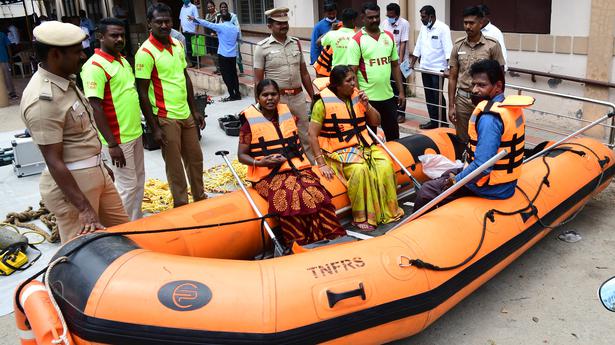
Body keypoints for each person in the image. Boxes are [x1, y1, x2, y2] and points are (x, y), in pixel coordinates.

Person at [20, 21, 128, 243]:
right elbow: (54, 160)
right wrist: (84, 208)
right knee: (81, 250)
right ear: (55, 54)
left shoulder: (65, 80)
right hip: (75, 188)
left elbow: (80, 135)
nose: (83, 56)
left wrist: (100, 163)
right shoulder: (43, 100)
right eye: (77, 51)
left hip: (96, 173)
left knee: (126, 233)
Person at [238, 79, 345, 246]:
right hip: (268, 176)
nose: (270, 98)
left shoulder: (286, 114)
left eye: (273, 94)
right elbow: (241, 155)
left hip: (295, 168)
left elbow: (296, 140)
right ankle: (299, 242)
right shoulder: (248, 124)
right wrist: (261, 162)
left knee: (314, 191)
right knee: (291, 196)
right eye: (265, 95)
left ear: (279, 96)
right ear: (258, 98)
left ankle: (327, 235)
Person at [413, 59, 530, 212]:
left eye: (481, 85)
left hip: (489, 188)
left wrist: (455, 181)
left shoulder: (489, 118)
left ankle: (418, 228)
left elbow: (482, 167)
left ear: (498, 86)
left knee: (427, 191)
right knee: (448, 173)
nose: (475, 90)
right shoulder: (509, 108)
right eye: (474, 84)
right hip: (506, 183)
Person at [308, 66, 404, 231]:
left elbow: (376, 122)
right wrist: (321, 163)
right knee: (359, 170)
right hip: (337, 151)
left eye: (354, 79)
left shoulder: (358, 97)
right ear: (337, 85)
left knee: (385, 165)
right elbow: (311, 134)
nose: (353, 83)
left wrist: (367, 106)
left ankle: (389, 212)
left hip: (363, 146)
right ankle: (362, 217)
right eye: (348, 81)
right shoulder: (321, 103)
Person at [135, 3, 206, 208]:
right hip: (166, 118)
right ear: (150, 23)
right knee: (175, 168)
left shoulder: (177, 44)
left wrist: (195, 110)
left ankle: (200, 200)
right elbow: (142, 92)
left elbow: (185, 77)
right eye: (159, 22)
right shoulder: (145, 53)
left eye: (168, 21)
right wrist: (154, 127)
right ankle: (182, 206)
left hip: (186, 114)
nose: (164, 25)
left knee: (195, 160)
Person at [81, 17, 145, 221]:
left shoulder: (123, 60)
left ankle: (135, 223)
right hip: (118, 138)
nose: (119, 39)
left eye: (122, 35)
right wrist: (112, 144)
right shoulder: (95, 67)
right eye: (114, 35)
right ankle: (123, 230)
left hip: (134, 132)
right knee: (127, 187)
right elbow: (95, 106)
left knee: (138, 182)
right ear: (100, 36)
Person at [254, 7, 316, 162]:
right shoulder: (262, 47)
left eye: (285, 23)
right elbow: (258, 81)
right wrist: (259, 104)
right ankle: (288, 167)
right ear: (269, 26)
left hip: (298, 97)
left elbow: (304, 73)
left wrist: (313, 96)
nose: (283, 26)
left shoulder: (296, 43)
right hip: (277, 100)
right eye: (278, 23)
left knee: (305, 134)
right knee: (282, 135)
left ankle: (311, 166)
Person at [348, 2, 406, 141]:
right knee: (369, 140)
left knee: (394, 138)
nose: (374, 20)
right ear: (363, 18)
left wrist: (401, 91)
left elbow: (395, 66)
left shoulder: (389, 37)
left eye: (377, 17)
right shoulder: (356, 40)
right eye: (370, 17)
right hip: (368, 100)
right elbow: (352, 72)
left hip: (388, 97)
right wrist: (358, 97)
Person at [448, 6, 504, 144]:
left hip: (485, 101)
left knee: (485, 136)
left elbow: (500, 76)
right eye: (465, 23)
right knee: (462, 139)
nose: (468, 26)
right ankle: (463, 164)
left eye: (471, 23)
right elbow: (452, 77)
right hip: (462, 101)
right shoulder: (458, 46)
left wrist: (498, 102)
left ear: (481, 23)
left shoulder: (492, 46)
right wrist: (451, 106)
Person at [409, 5, 452, 129]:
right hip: (425, 68)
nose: (421, 19)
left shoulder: (443, 28)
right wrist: (412, 63)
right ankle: (433, 121)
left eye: (423, 17)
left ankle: (442, 122)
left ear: (431, 16)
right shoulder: (424, 27)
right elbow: (419, 46)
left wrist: (448, 68)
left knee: (437, 96)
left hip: (437, 69)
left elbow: (448, 48)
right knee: (429, 96)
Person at [190, 11, 241, 101]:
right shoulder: (236, 28)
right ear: (230, 19)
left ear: (221, 19)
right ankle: (237, 94)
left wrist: (195, 19)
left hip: (223, 55)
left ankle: (232, 95)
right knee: (234, 75)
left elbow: (207, 24)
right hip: (233, 55)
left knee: (226, 76)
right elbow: (238, 39)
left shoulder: (220, 26)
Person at [381, 3, 410, 124]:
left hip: (400, 62)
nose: (389, 17)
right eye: (388, 15)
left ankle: (401, 113)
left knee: (400, 87)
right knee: (390, 87)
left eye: (391, 15)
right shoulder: (384, 23)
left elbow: (403, 43)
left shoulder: (404, 23)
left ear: (397, 15)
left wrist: (399, 61)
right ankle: (392, 111)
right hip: (387, 61)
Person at [218, 2, 244, 74]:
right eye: (222, 7)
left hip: (233, 39)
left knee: (237, 54)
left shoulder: (233, 16)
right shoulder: (219, 17)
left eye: (224, 7)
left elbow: (237, 27)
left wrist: (238, 38)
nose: (223, 9)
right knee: (227, 56)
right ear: (220, 8)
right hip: (224, 40)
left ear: (227, 8)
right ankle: (232, 71)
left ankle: (241, 71)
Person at [179, 0, 199, 66]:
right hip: (185, 32)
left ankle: (198, 64)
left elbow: (197, 19)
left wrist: (196, 31)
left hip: (192, 31)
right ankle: (193, 63)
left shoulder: (193, 7)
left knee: (195, 49)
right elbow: (181, 20)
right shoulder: (182, 8)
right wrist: (180, 30)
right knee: (188, 49)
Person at [0, 30, 17, 99]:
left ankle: (10, 93)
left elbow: (8, 45)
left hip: (3, 58)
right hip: (4, 58)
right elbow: (8, 46)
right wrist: (10, 57)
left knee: (6, 76)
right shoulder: (2, 34)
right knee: (7, 76)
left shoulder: (2, 34)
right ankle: (12, 93)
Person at [204, 1, 220, 73]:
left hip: (216, 38)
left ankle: (221, 69)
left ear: (214, 6)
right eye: (208, 7)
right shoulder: (207, 15)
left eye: (211, 6)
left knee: (217, 53)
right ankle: (217, 68)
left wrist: (215, 34)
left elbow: (219, 26)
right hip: (208, 37)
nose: (210, 8)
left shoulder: (218, 15)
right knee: (212, 53)